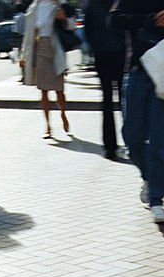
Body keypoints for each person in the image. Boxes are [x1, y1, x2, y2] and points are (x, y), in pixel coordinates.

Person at [110, 0, 164, 225]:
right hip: (138, 71)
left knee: (159, 140)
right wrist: (147, 20)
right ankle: (149, 176)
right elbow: (113, 20)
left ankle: (156, 200)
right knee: (132, 136)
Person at [20, 0, 75, 138]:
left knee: (59, 90)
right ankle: (48, 126)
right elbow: (28, 33)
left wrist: (63, 17)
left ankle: (63, 114)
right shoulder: (34, 7)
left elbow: (72, 25)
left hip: (55, 49)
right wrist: (23, 55)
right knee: (43, 90)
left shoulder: (59, 4)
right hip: (40, 48)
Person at [83, 0, 127, 159]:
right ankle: (130, 142)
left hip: (101, 55)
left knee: (107, 101)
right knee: (125, 101)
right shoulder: (120, 3)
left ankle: (110, 146)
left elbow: (87, 32)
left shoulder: (91, 5)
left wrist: (95, 49)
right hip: (120, 54)